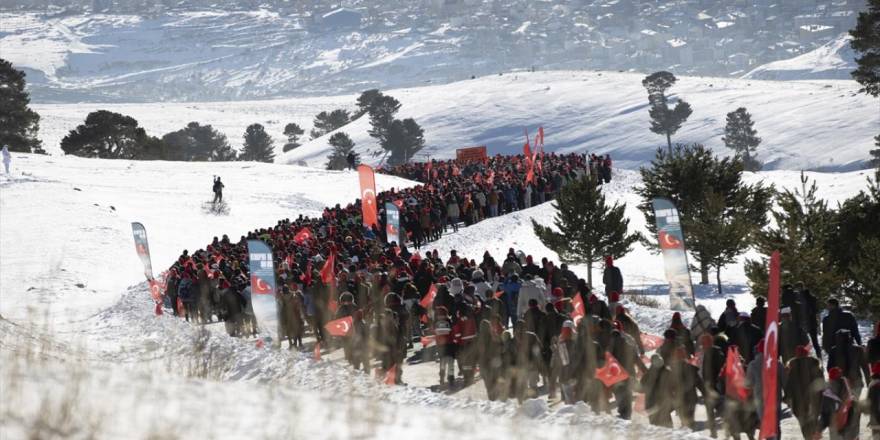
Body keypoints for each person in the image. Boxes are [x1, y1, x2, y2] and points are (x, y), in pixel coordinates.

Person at [785, 345, 824, 439]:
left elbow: (789, 387)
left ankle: (807, 437)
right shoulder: (816, 366)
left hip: (799, 403)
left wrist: (787, 398)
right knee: (814, 423)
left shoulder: (792, 369)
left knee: (804, 424)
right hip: (815, 401)